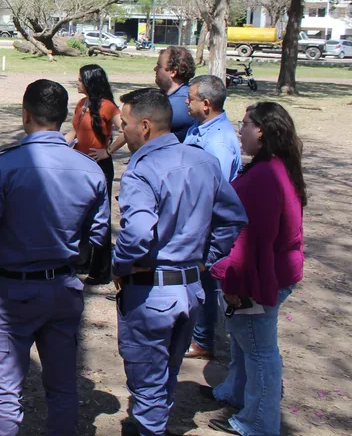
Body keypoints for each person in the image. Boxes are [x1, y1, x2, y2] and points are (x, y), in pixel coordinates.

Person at [0, 80, 110, 436]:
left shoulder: (4, 165)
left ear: (25, 114)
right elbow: (97, 236)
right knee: (62, 386)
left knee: (4, 391)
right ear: (64, 118)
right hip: (63, 287)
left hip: (15, 289)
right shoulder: (89, 170)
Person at [113, 88, 247, 436]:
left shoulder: (141, 170)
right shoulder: (203, 161)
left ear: (144, 126)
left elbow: (138, 232)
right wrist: (205, 260)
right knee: (167, 373)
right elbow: (232, 218)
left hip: (151, 294)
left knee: (147, 383)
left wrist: (121, 265)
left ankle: (149, 429)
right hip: (190, 290)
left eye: (124, 124)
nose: (121, 132)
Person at [207, 102, 305, 436]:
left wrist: (238, 284)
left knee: (260, 351)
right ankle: (235, 392)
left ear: (261, 130)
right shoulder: (272, 167)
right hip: (268, 272)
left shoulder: (266, 176)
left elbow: (255, 241)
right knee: (243, 342)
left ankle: (259, 422)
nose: (239, 129)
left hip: (258, 278)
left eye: (245, 123)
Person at [183, 74, 243, 362]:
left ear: (205, 104)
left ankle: (203, 340)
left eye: (191, 97)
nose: (186, 101)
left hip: (206, 225)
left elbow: (214, 194)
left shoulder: (218, 142)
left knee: (205, 282)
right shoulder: (199, 128)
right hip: (193, 219)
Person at [65, 63, 122, 284]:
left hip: (99, 166)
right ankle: (81, 258)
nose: (77, 82)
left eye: (80, 79)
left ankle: (101, 270)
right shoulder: (81, 104)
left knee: (100, 216)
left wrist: (108, 151)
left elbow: (125, 130)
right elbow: (75, 132)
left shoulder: (107, 106)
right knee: (79, 213)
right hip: (78, 166)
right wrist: (57, 144)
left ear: (89, 81)